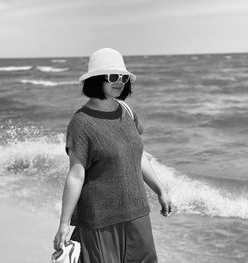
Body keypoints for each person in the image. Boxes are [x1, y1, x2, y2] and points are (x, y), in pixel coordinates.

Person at [53, 48, 173, 263]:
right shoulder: (81, 122)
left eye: (123, 77)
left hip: (137, 212)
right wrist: (63, 223)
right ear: (96, 80)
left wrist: (160, 190)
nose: (119, 82)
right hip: (100, 218)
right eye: (113, 77)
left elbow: (138, 156)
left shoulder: (127, 111)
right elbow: (76, 175)